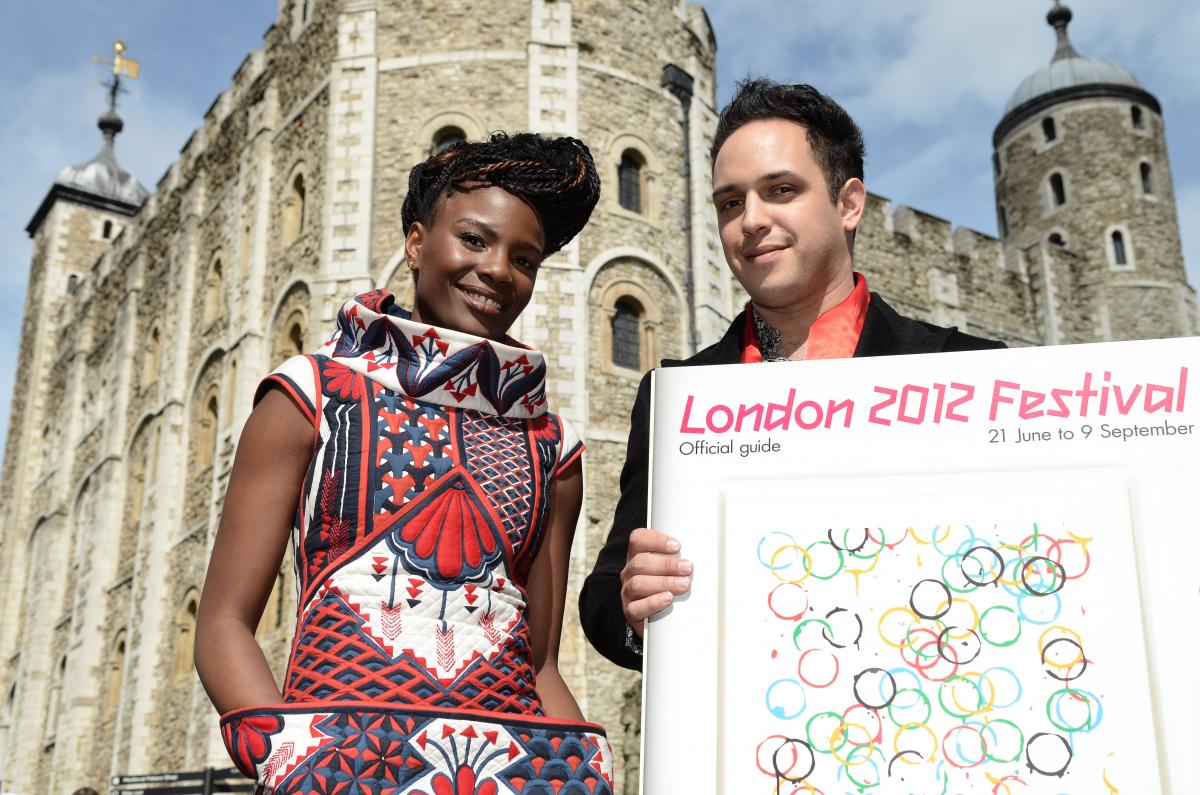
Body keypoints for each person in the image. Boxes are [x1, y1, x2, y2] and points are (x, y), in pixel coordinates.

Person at [195, 132, 614, 794]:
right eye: (474, 240)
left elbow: (538, 663)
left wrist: (587, 773)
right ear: (416, 242)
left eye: (525, 258)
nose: (499, 269)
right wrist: (293, 756)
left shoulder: (551, 447)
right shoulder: (310, 394)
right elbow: (222, 622)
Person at [579, 79, 1005, 670]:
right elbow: (601, 599)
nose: (751, 220)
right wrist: (632, 606)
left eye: (780, 190)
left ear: (849, 203)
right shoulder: (675, 398)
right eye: (730, 202)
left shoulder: (971, 373)